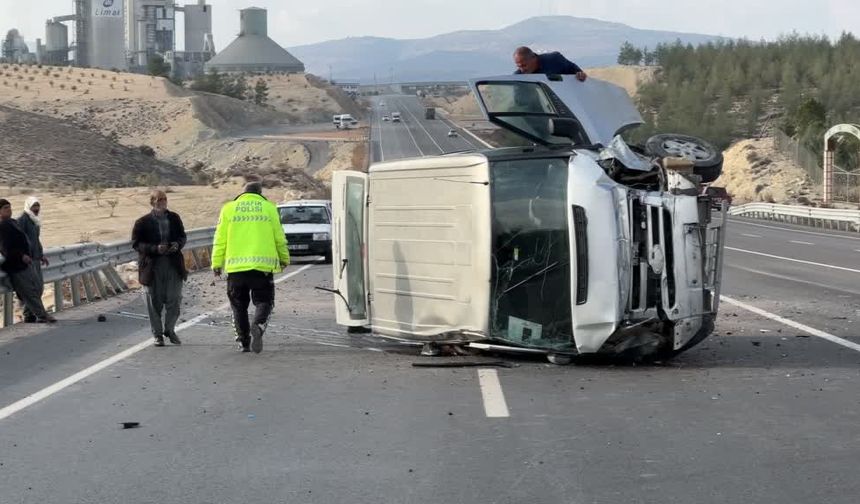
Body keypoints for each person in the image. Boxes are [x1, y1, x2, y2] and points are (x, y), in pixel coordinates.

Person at [211, 181, 289, 353]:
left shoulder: (229, 208)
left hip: (236, 269)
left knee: (238, 306)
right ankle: (258, 325)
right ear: (260, 192)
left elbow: (220, 239)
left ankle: (243, 341)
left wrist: (216, 263)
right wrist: (284, 258)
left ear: (243, 192)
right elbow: (279, 237)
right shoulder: (269, 208)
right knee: (264, 301)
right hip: (262, 268)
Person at [132, 190, 187, 347]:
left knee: (174, 299)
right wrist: (155, 249)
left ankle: (169, 330)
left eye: (164, 199)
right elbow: (136, 244)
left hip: (173, 264)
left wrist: (176, 245)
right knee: (153, 302)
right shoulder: (142, 222)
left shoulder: (174, 218)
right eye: (158, 199)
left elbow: (183, 237)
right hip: (152, 267)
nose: (162, 201)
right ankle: (157, 335)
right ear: (152, 202)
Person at [0, 199, 56, 323]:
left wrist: (36, 254)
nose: (9, 209)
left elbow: (30, 240)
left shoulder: (13, 222)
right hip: (16, 264)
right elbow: (5, 248)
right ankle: (42, 315)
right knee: (29, 291)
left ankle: (29, 315)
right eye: (5, 208)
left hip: (27, 261)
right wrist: (21, 255)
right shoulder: (3, 226)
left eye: (9, 207)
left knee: (36, 287)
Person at [16, 197, 50, 323]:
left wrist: (41, 255)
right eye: (34, 206)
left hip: (35, 258)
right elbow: (17, 240)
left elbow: (36, 240)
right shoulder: (22, 220)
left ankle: (29, 314)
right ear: (28, 206)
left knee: (39, 287)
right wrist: (22, 255)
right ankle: (29, 314)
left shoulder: (35, 221)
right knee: (34, 288)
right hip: (27, 260)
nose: (36, 209)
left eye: (38, 206)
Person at [513, 46, 588, 81]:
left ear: (534, 58)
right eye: (519, 66)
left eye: (524, 65)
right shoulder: (518, 77)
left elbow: (574, 69)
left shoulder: (554, 59)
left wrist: (580, 74)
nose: (522, 70)